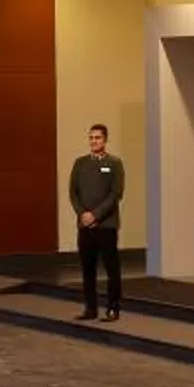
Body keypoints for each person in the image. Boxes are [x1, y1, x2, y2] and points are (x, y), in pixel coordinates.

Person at [68, 124, 125, 321]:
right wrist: (83, 214)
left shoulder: (114, 163)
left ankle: (113, 308)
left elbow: (116, 193)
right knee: (88, 269)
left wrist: (96, 215)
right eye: (91, 138)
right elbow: (73, 193)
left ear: (105, 140)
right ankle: (90, 309)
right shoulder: (80, 163)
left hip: (106, 226)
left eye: (98, 138)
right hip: (85, 226)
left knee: (111, 269)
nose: (94, 141)